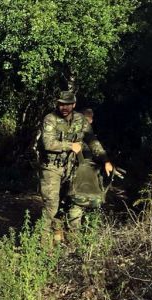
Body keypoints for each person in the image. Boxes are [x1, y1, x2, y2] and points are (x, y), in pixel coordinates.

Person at [39, 91, 113, 237]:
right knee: (51, 205)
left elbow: (92, 141)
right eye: (61, 104)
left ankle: (61, 234)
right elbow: (48, 143)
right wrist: (70, 145)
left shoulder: (80, 119)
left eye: (67, 105)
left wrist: (105, 160)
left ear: (74, 104)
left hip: (72, 168)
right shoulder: (50, 119)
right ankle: (44, 243)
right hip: (51, 168)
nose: (64, 108)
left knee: (69, 201)